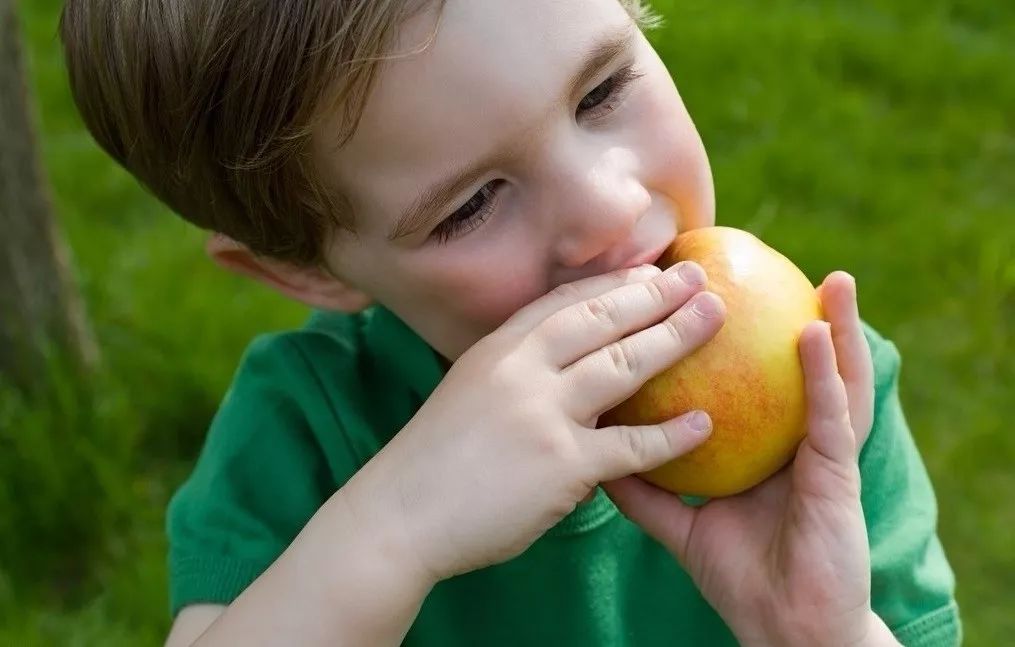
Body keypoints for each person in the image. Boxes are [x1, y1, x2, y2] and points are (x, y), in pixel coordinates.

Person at [59, 1, 961, 645]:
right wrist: (400, 523)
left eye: (602, 89)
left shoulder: (823, 399)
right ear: (302, 270)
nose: (608, 208)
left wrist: (818, 631)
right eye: (470, 205)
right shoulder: (306, 431)